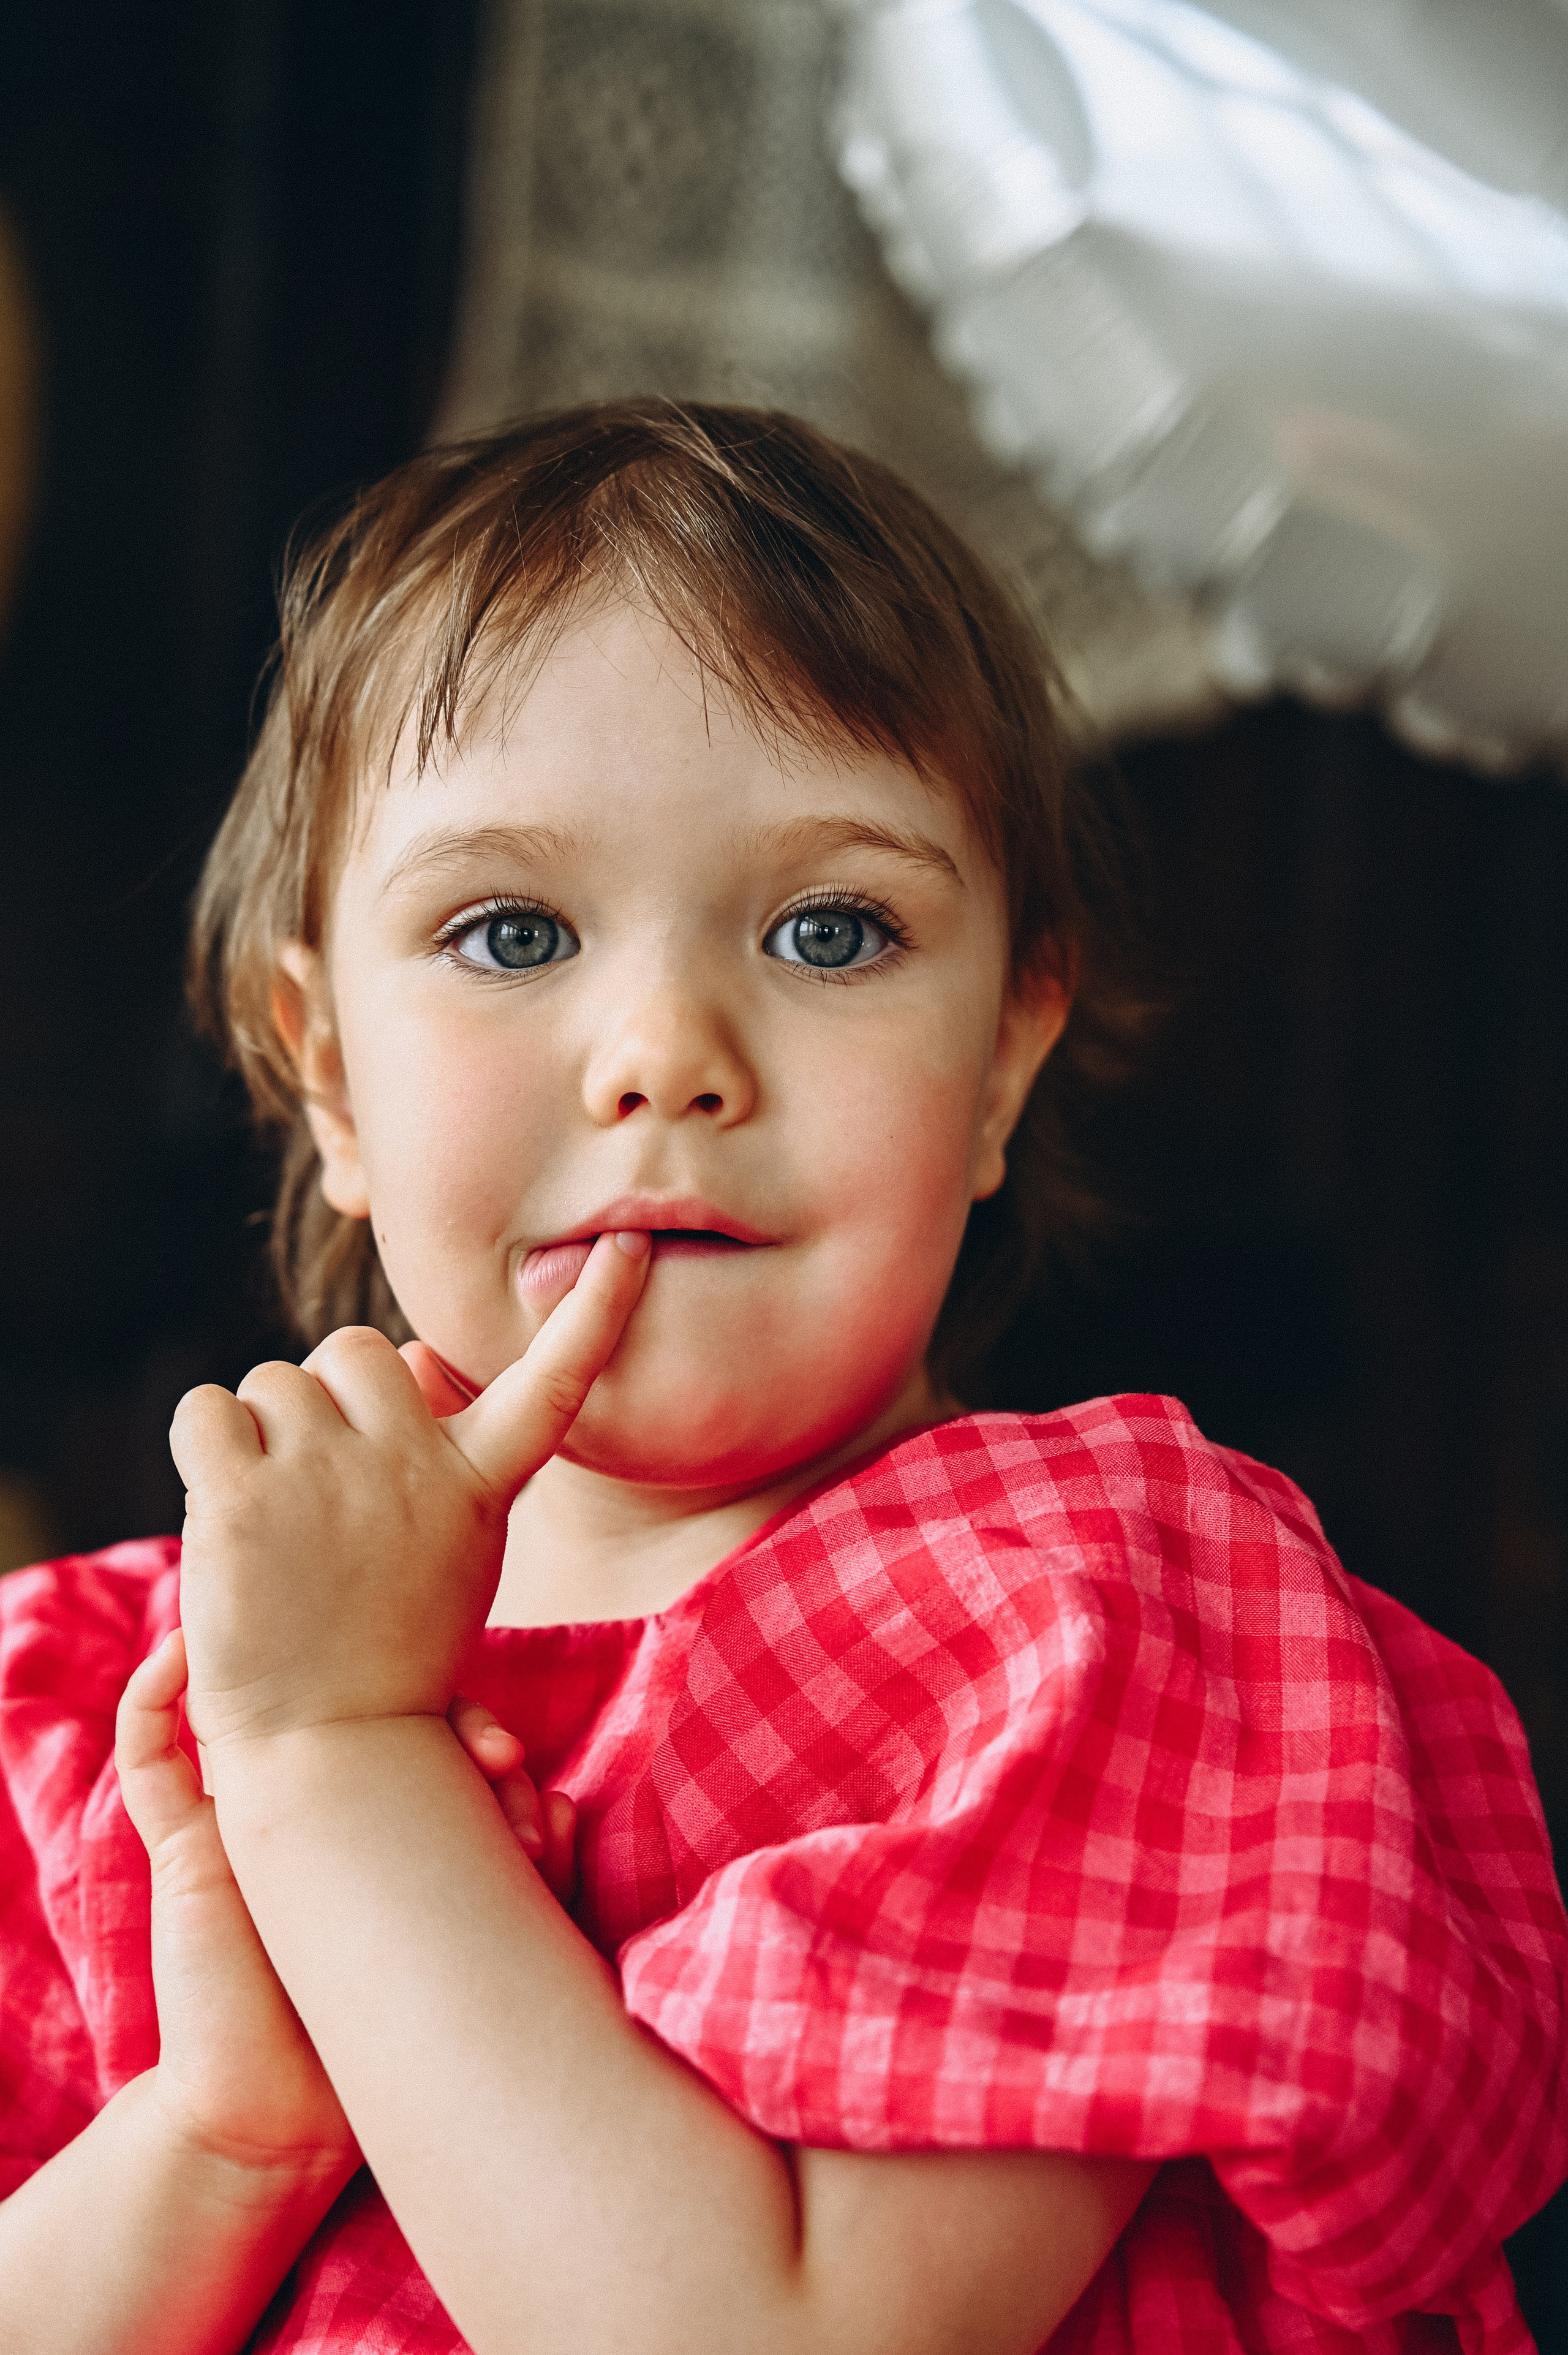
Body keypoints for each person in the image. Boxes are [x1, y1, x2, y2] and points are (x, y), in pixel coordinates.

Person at [0, 401, 1562, 2355]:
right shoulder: (94, 1705)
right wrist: (221, 2134)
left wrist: (341, 1766)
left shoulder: (1099, 1627)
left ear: (1002, 1054)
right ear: (323, 1067)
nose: (664, 1050)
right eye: (511, 929)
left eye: (834, 929)